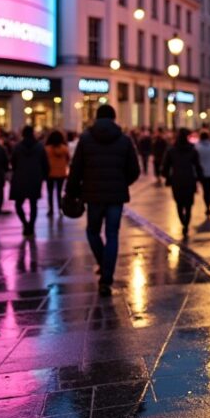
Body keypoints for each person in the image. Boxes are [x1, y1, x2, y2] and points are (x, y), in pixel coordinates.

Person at [65, 105, 141, 296]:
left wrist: (71, 192)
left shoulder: (86, 139)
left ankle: (103, 263)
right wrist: (122, 182)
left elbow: (76, 169)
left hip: (93, 195)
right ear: (114, 118)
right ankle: (106, 277)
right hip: (115, 196)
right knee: (112, 234)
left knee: (92, 231)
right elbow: (134, 170)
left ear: (96, 118)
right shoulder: (124, 140)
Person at [9, 125, 48, 237]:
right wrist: (43, 176)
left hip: (20, 178)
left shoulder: (17, 147)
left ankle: (25, 224)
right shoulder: (40, 147)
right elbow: (45, 163)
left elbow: (13, 162)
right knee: (33, 204)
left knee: (18, 204)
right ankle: (31, 226)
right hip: (35, 178)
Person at [161, 128, 199, 238]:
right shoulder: (192, 149)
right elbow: (197, 165)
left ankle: (183, 222)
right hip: (189, 179)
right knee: (188, 205)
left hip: (176, 180)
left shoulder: (171, 150)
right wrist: (199, 178)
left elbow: (165, 167)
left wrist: (167, 177)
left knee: (179, 203)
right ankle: (186, 223)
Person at [44, 130, 69, 217]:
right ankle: (60, 209)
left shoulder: (47, 149)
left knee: (50, 192)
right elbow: (68, 159)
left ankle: (51, 209)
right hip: (61, 173)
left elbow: (44, 160)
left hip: (49, 173)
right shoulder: (64, 148)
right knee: (59, 192)